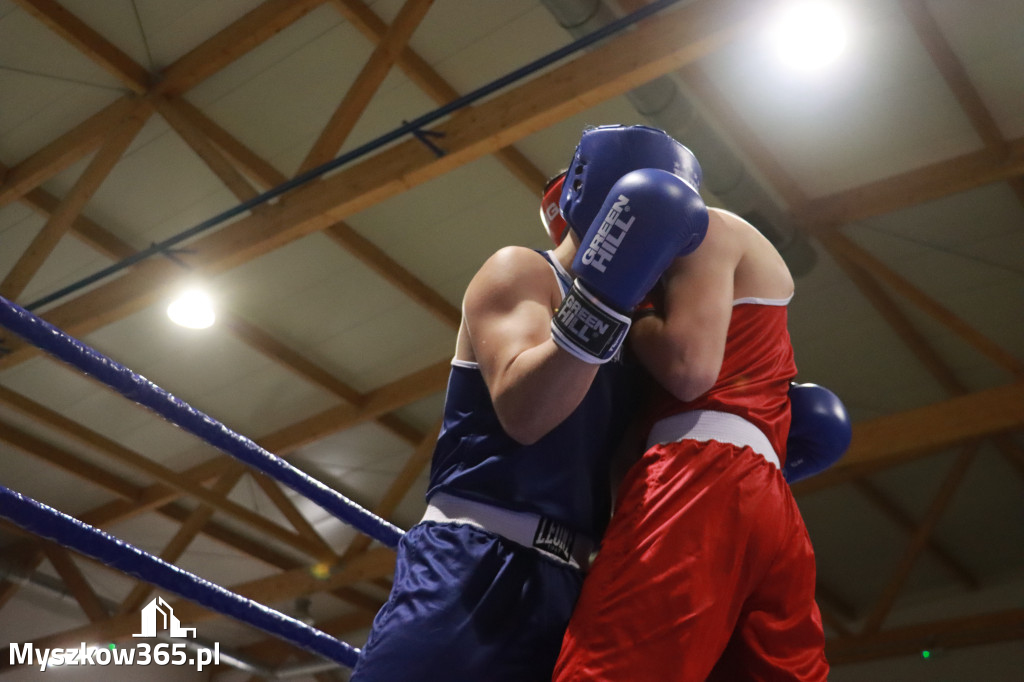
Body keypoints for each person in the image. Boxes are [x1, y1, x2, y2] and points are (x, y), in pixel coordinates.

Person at [350, 125, 710, 682]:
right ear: (593, 192)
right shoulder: (521, 271)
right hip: (470, 563)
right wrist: (605, 295)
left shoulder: (638, 340)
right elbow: (526, 414)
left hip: (570, 590)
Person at [552, 199, 850, 680]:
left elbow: (689, 372)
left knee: (610, 670)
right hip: (768, 500)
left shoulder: (703, 228)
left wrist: (637, 310)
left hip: (697, 474)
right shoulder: (728, 261)